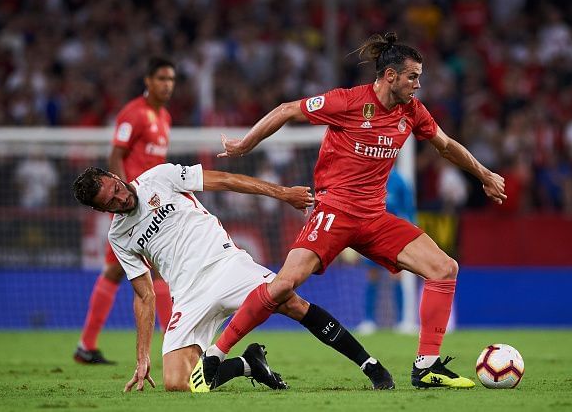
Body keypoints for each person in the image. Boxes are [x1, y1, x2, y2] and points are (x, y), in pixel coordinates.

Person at [201, 32, 507, 389]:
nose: (418, 85)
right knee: (284, 284)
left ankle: (427, 367)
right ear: (390, 76)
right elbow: (287, 110)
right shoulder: (346, 101)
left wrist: (484, 174)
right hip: (335, 211)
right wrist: (244, 145)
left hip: (374, 217)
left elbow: (446, 145)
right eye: (412, 77)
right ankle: (214, 354)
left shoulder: (412, 111)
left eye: (420, 77)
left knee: (444, 268)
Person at [71, 163, 395, 392]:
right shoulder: (119, 236)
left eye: (116, 188)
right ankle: (249, 364)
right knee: (177, 383)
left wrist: (283, 194)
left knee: (291, 303)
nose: (121, 198)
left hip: (227, 266)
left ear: (115, 176)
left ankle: (370, 366)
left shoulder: (160, 177)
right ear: (102, 211)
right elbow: (144, 296)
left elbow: (225, 180)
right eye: (110, 202)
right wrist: (142, 358)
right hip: (187, 296)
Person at [74, 57, 176, 364]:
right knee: (154, 270)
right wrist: (122, 193)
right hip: (130, 206)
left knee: (117, 271)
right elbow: (116, 153)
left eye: (171, 79)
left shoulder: (165, 117)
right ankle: (173, 341)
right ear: (147, 80)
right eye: (161, 78)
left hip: (149, 203)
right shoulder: (134, 114)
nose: (167, 85)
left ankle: (86, 345)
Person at [356, 169, 415, 335]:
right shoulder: (368, 177)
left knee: (397, 276)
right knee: (372, 276)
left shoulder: (399, 180)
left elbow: (409, 209)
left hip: (393, 237)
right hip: (370, 235)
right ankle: (368, 321)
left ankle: (403, 322)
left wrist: (413, 230)